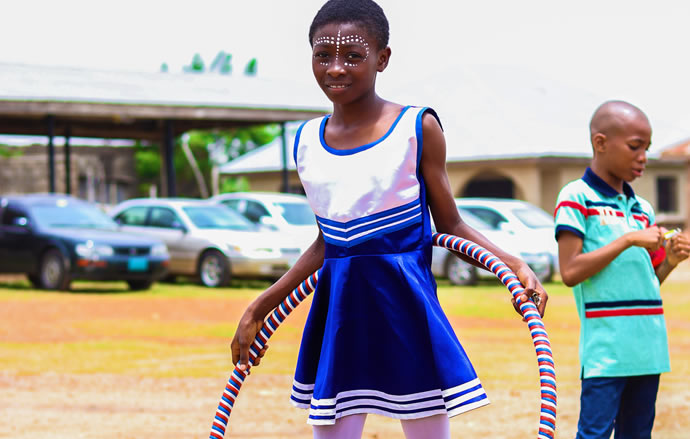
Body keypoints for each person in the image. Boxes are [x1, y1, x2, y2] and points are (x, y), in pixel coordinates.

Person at [231, 1, 548, 437]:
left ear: (382, 58)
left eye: (352, 56)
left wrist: (513, 265)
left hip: (406, 310)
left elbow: (451, 227)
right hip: (340, 317)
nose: (335, 68)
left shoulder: (416, 129)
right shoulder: (306, 142)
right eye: (322, 56)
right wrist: (258, 308)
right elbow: (329, 244)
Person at [554, 100, 690, 439]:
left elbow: (648, 281)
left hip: (649, 348)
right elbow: (569, 272)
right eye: (634, 146)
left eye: (647, 148)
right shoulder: (576, 197)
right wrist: (628, 239)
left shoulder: (642, 209)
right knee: (595, 434)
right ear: (600, 143)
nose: (643, 157)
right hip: (607, 353)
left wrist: (671, 261)